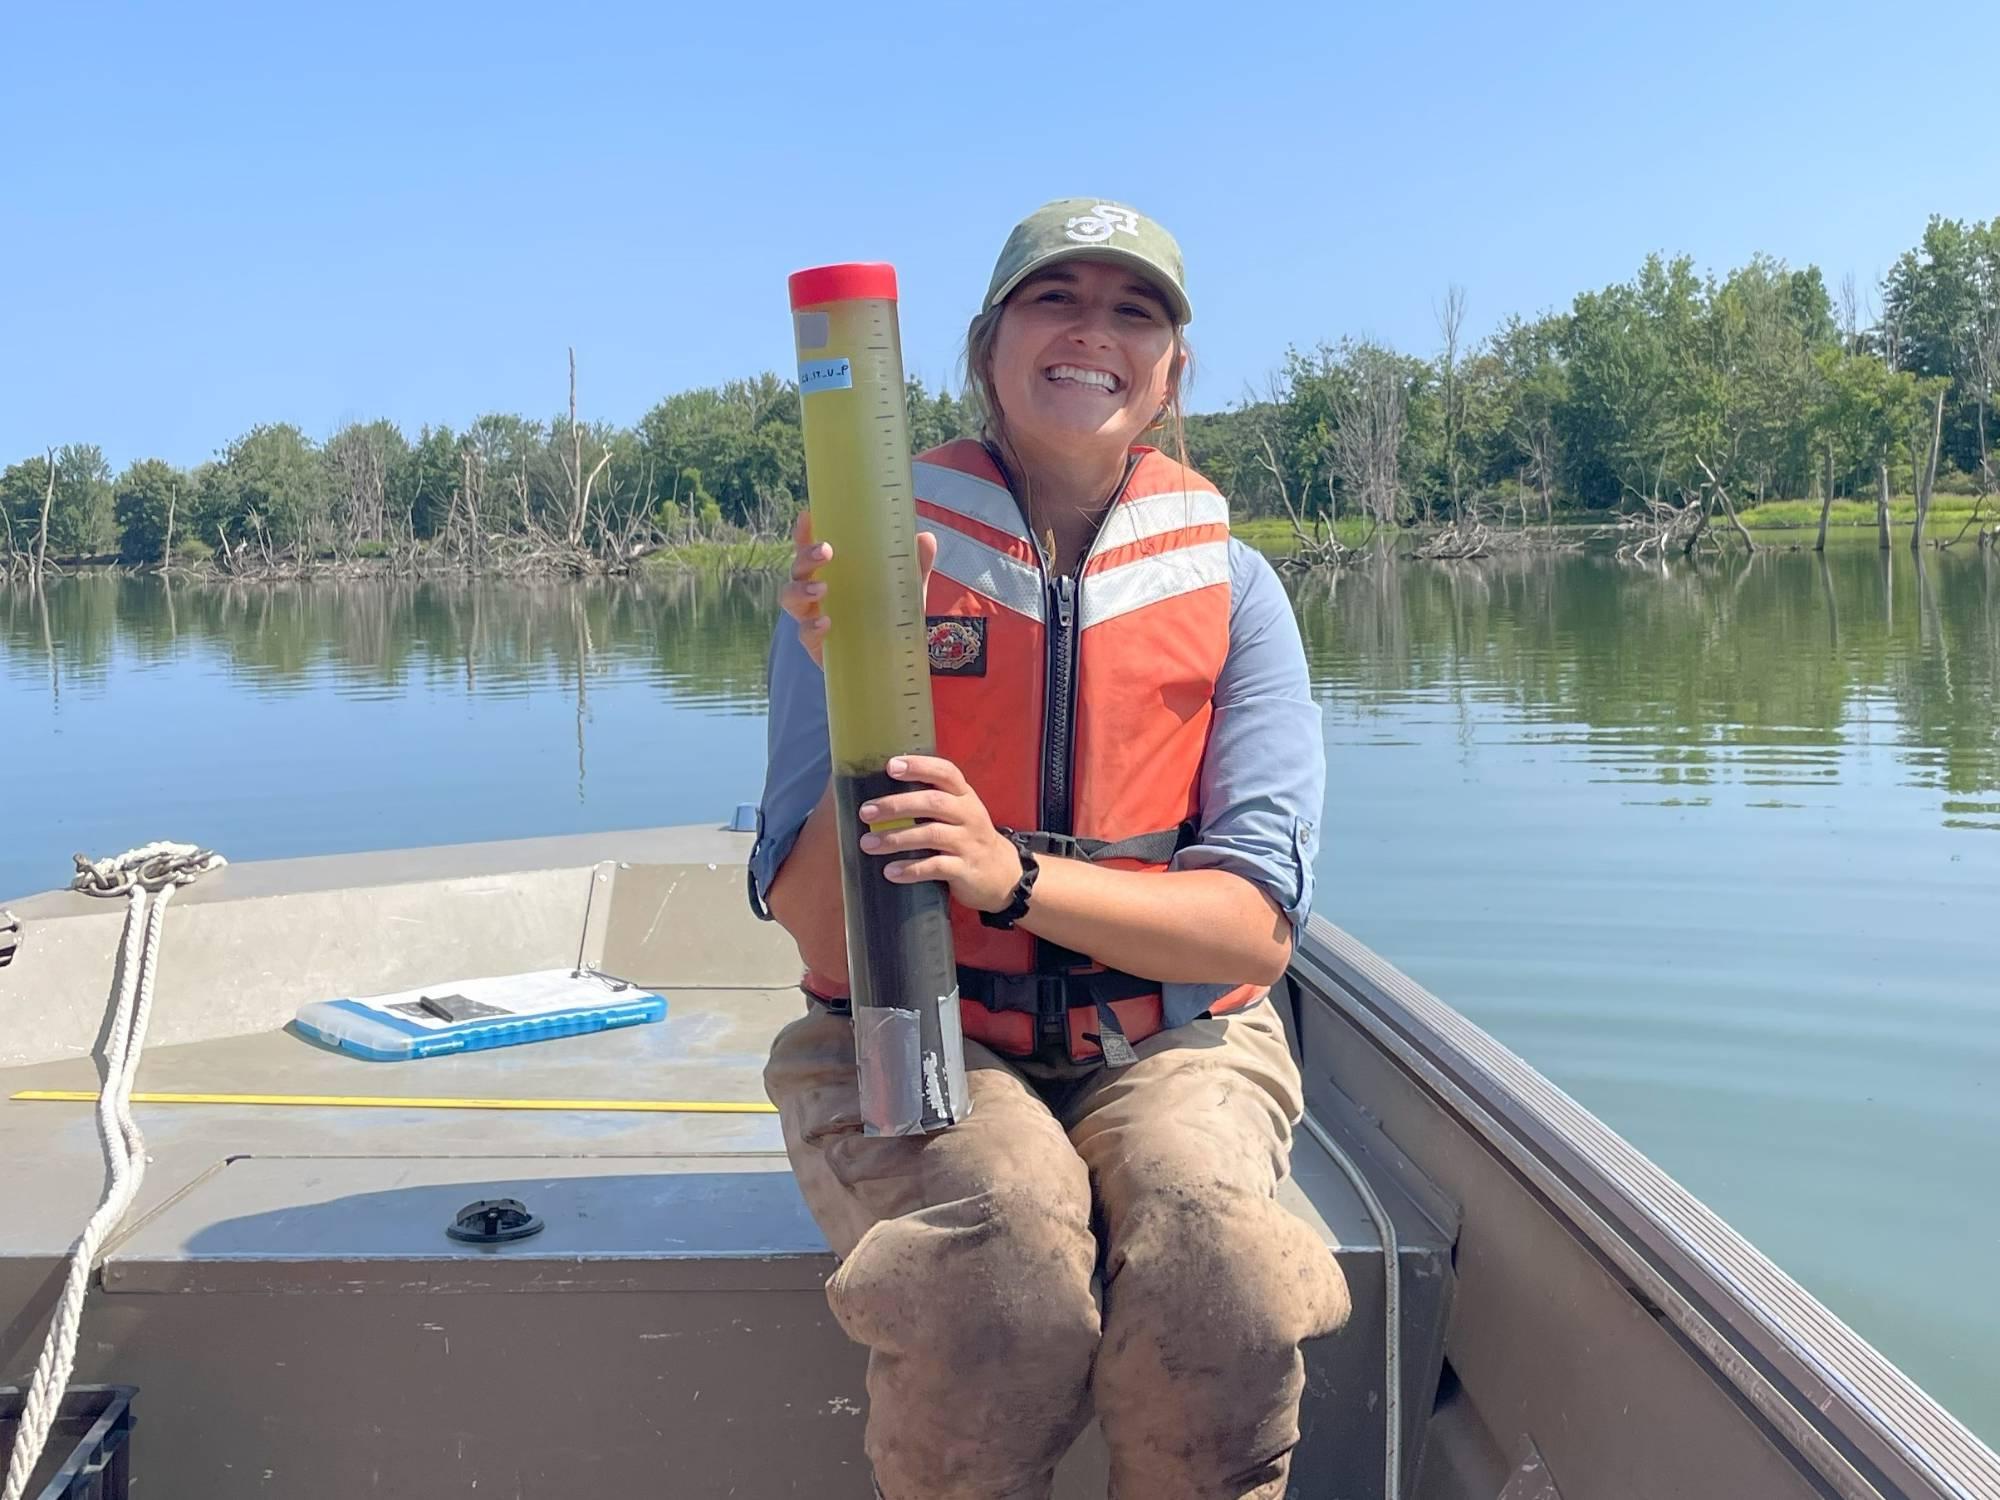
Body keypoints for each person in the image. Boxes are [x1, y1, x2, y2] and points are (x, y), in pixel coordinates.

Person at [751, 198, 1350, 1500]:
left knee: (1223, 1267)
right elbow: (809, 925)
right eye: (1056, 300)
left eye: (1135, 311)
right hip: (920, 1032)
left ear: (1173, 372)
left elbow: (1253, 929)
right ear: (986, 349)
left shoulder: (1240, 592)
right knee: (1001, 1261)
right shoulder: (858, 569)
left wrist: (1011, 877)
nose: (1095, 333)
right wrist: (845, 665)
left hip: (1178, 1041)